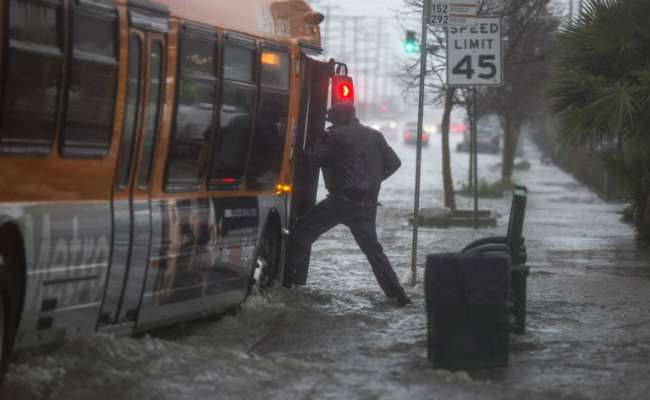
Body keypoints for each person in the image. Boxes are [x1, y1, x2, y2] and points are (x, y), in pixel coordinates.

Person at [289, 100, 412, 306]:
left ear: (337, 118)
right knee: (374, 251)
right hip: (367, 204)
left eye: (331, 119)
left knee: (301, 232)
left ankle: (288, 284)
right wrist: (371, 180)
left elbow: (306, 159)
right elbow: (394, 162)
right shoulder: (375, 135)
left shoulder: (334, 136)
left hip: (341, 201)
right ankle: (399, 296)